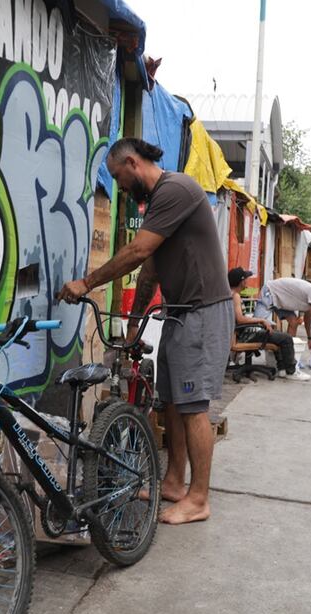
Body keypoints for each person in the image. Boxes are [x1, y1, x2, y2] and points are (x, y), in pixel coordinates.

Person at [57, 138, 232, 525]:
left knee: (194, 405)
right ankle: (173, 482)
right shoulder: (158, 203)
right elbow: (152, 266)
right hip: (179, 312)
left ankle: (199, 498)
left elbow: (137, 251)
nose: (119, 187)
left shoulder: (175, 188)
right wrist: (135, 319)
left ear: (133, 164)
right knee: (170, 401)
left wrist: (86, 283)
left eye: (119, 178)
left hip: (202, 313)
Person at [228, 268, 310, 381]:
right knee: (286, 339)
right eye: (246, 278)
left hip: (243, 332)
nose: (247, 281)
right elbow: (240, 319)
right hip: (246, 335)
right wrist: (261, 321)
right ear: (241, 281)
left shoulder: (230, 294)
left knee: (278, 335)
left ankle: (282, 369)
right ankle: (291, 371)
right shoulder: (235, 296)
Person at [253, 277, 311, 361]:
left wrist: (310, 338)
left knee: (293, 322)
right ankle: (245, 352)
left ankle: (287, 356)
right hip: (270, 292)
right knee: (255, 328)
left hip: (279, 299)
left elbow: (307, 318)